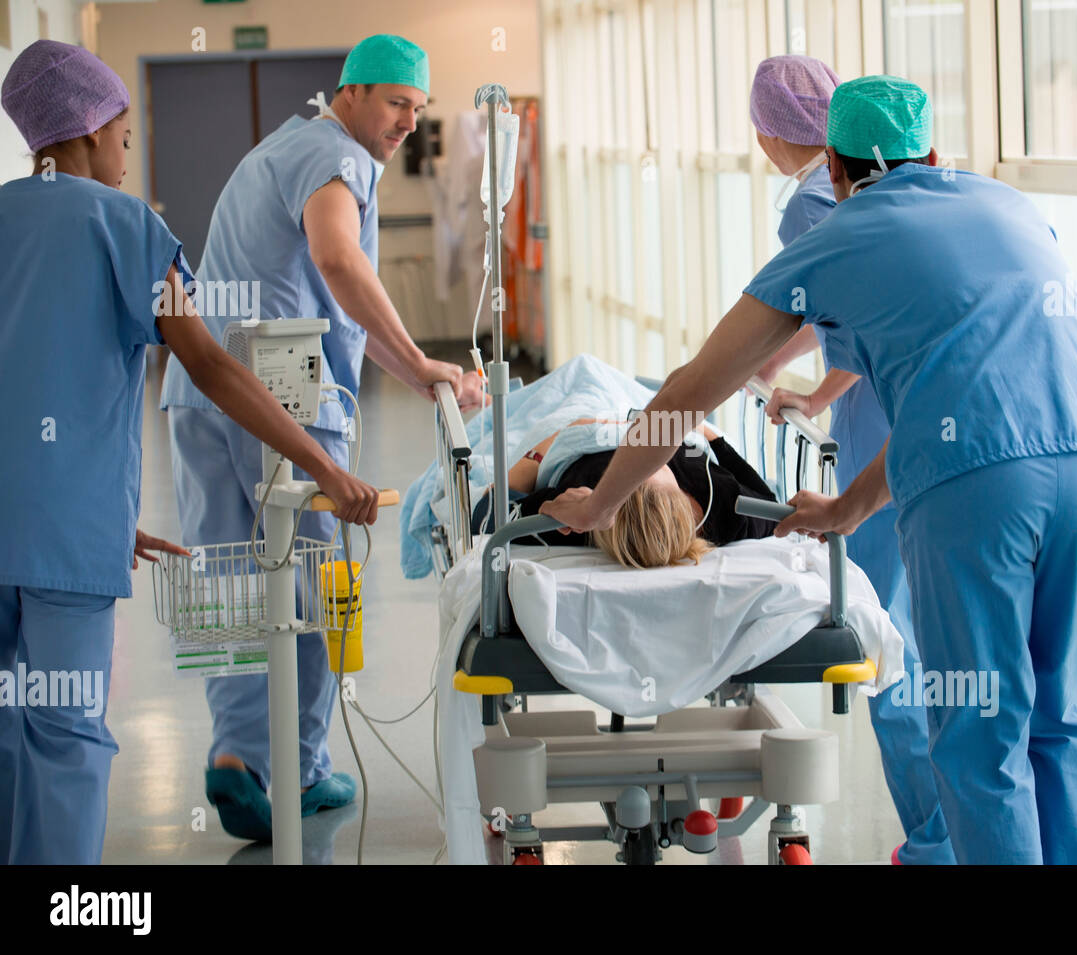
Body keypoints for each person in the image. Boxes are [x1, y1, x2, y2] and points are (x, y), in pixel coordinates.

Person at [542, 75, 1077, 865]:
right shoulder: (1007, 205)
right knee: (1068, 718)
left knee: (982, 732)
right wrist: (852, 506)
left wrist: (604, 503)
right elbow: (972, 390)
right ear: (931, 150)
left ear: (836, 169)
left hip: (980, 493)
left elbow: (687, 393)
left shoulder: (842, 233)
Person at [0, 40, 379, 864]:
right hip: (69, 545)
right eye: (126, 136)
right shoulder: (128, 227)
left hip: (27, 526)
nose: (127, 155)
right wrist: (323, 465)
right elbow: (209, 365)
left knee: (5, 734)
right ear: (93, 128)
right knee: (64, 737)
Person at [158, 34, 482, 842]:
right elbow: (337, 262)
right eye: (397, 102)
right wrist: (420, 362)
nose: (409, 122)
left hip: (200, 391)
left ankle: (235, 755)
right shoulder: (337, 157)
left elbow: (335, 295)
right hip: (284, 399)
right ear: (352, 92)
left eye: (418, 107)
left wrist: (419, 372)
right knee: (306, 587)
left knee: (230, 579)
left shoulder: (282, 148)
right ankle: (300, 766)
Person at [750, 55, 953, 865]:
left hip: (884, 432)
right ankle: (963, 831)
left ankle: (938, 837)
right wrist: (795, 373)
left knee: (883, 636)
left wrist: (808, 388)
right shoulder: (943, 198)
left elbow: (853, 326)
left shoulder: (812, 203)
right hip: (947, 429)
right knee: (942, 643)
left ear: (773, 132)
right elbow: (840, 312)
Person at [471, 417, 778, 567]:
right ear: (684, 501)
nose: (642, 454)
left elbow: (486, 517)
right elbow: (771, 506)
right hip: (673, 427)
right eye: (656, 462)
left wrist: (538, 453)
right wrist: (712, 437)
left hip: (576, 431)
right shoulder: (723, 506)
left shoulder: (574, 519)